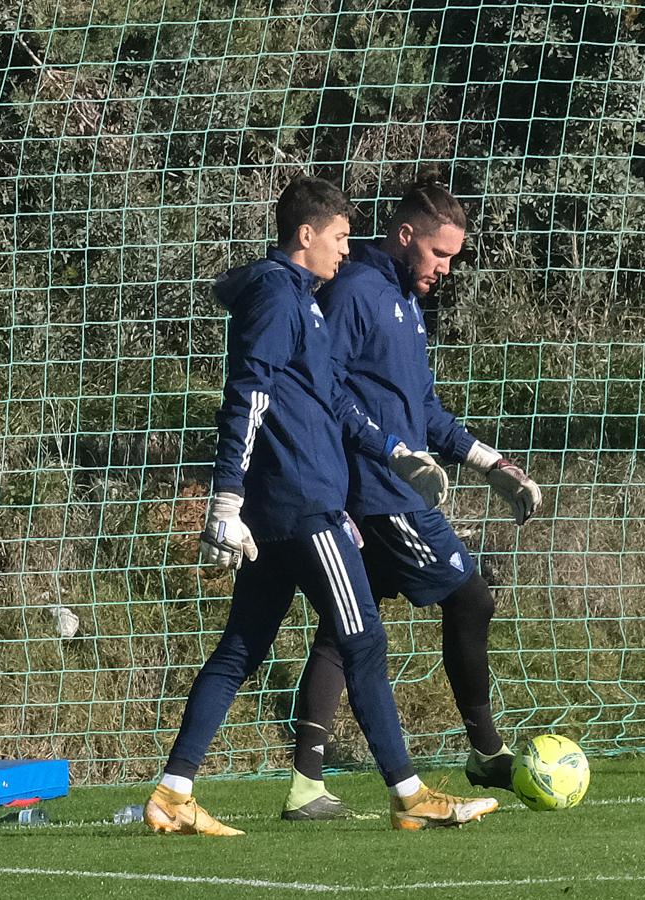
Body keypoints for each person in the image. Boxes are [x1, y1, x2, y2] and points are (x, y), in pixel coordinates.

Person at [143, 176, 499, 835]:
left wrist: (395, 452)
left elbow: (333, 399)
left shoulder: (303, 300)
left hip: (290, 508)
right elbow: (246, 397)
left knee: (240, 649)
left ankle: (172, 791)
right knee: (363, 639)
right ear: (306, 236)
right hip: (304, 505)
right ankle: (409, 793)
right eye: (339, 237)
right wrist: (226, 498)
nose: (346, 250)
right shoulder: (279, 299)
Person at [278, 180, 542, 822]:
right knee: (469, 595)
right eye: (439, 255)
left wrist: (490, 463)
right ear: (405, 237)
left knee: (345, 633)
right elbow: (323, 391)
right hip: (379, 495)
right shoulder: (354, 293)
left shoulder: (403, 299)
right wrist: (346, 483)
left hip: (393, 489)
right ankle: (484, 751)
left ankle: (305, 784)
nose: (445, 270)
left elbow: (422, 407)